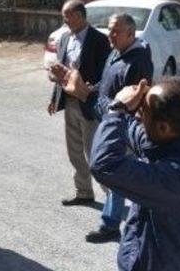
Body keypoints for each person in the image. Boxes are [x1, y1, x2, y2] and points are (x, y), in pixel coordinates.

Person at [90, 76, 180, 271]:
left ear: (163, 127)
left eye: (143, 112)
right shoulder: (171, 144)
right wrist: (89, 95)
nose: (138, 115)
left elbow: (104, 165)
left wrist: (117, 109)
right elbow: (129, 127)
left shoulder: (179, 177)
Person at [56, 13, 154, 243]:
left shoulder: (138, 62)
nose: (110, 35)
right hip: (108, 122)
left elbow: (130, 103)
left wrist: (86, 95)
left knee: (118, 177)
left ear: (131, 34)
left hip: (123, 129)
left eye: (116, 31)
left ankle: (114, 225)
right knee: (119, 179)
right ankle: (121, 223)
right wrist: (91, 89)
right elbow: (107, 83)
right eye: (110, 29)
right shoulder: (117, 52)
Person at [47, 0, 111, 207]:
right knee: (74, 151)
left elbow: (108, 75)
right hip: (70, 102)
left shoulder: (99, 41)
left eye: (67, 16)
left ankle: (112, 198)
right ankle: (84, 192)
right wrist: (54, 98)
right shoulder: (65, 39)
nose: (65, 21)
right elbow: (62, 71)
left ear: (80, 16)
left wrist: (92, 89)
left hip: (89, 104)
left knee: (94, 153)